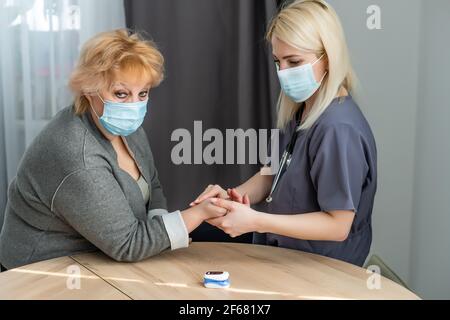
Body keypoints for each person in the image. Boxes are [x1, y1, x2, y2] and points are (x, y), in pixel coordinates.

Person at [0, 30, 227, 270]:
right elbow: (128, 244)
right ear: (89, 88)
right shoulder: (78, 154)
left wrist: (160, 234)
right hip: (41, 274)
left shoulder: (126, 128)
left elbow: (153, 186)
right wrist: (199, 214)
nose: (134, 105)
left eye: (143, 93)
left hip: (100, 260)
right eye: (121, 94)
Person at [192, 0, 377, 267]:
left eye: (295, 62)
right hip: (281, 252)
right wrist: (232, 196)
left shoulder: (338, 129)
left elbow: (338, 226)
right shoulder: (304, 109)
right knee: (195, 237)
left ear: (328, 57)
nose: (284, 73)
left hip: (321, 270)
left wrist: (255, 220)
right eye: (279, 62)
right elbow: (273, 172)